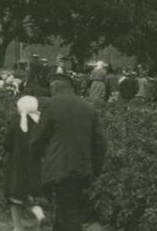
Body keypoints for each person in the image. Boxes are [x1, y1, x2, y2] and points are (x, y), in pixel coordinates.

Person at [31, 75, 105, 231]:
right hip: (83, 169)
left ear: (55, 88)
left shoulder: (51, 106)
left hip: (59, 168)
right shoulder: (89, 108)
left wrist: (35, 160)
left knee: (67, 214)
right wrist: (95, 170)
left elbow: (37, 139)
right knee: (67, 210)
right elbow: (100, 143)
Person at [4, 96, 45, 231]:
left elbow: (7, 143)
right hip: (35, 165)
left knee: (14, 197)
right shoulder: (40, 123)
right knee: (30, 194)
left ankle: (18, 227)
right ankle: (38, 213)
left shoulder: (16, 123)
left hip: (17, 165)